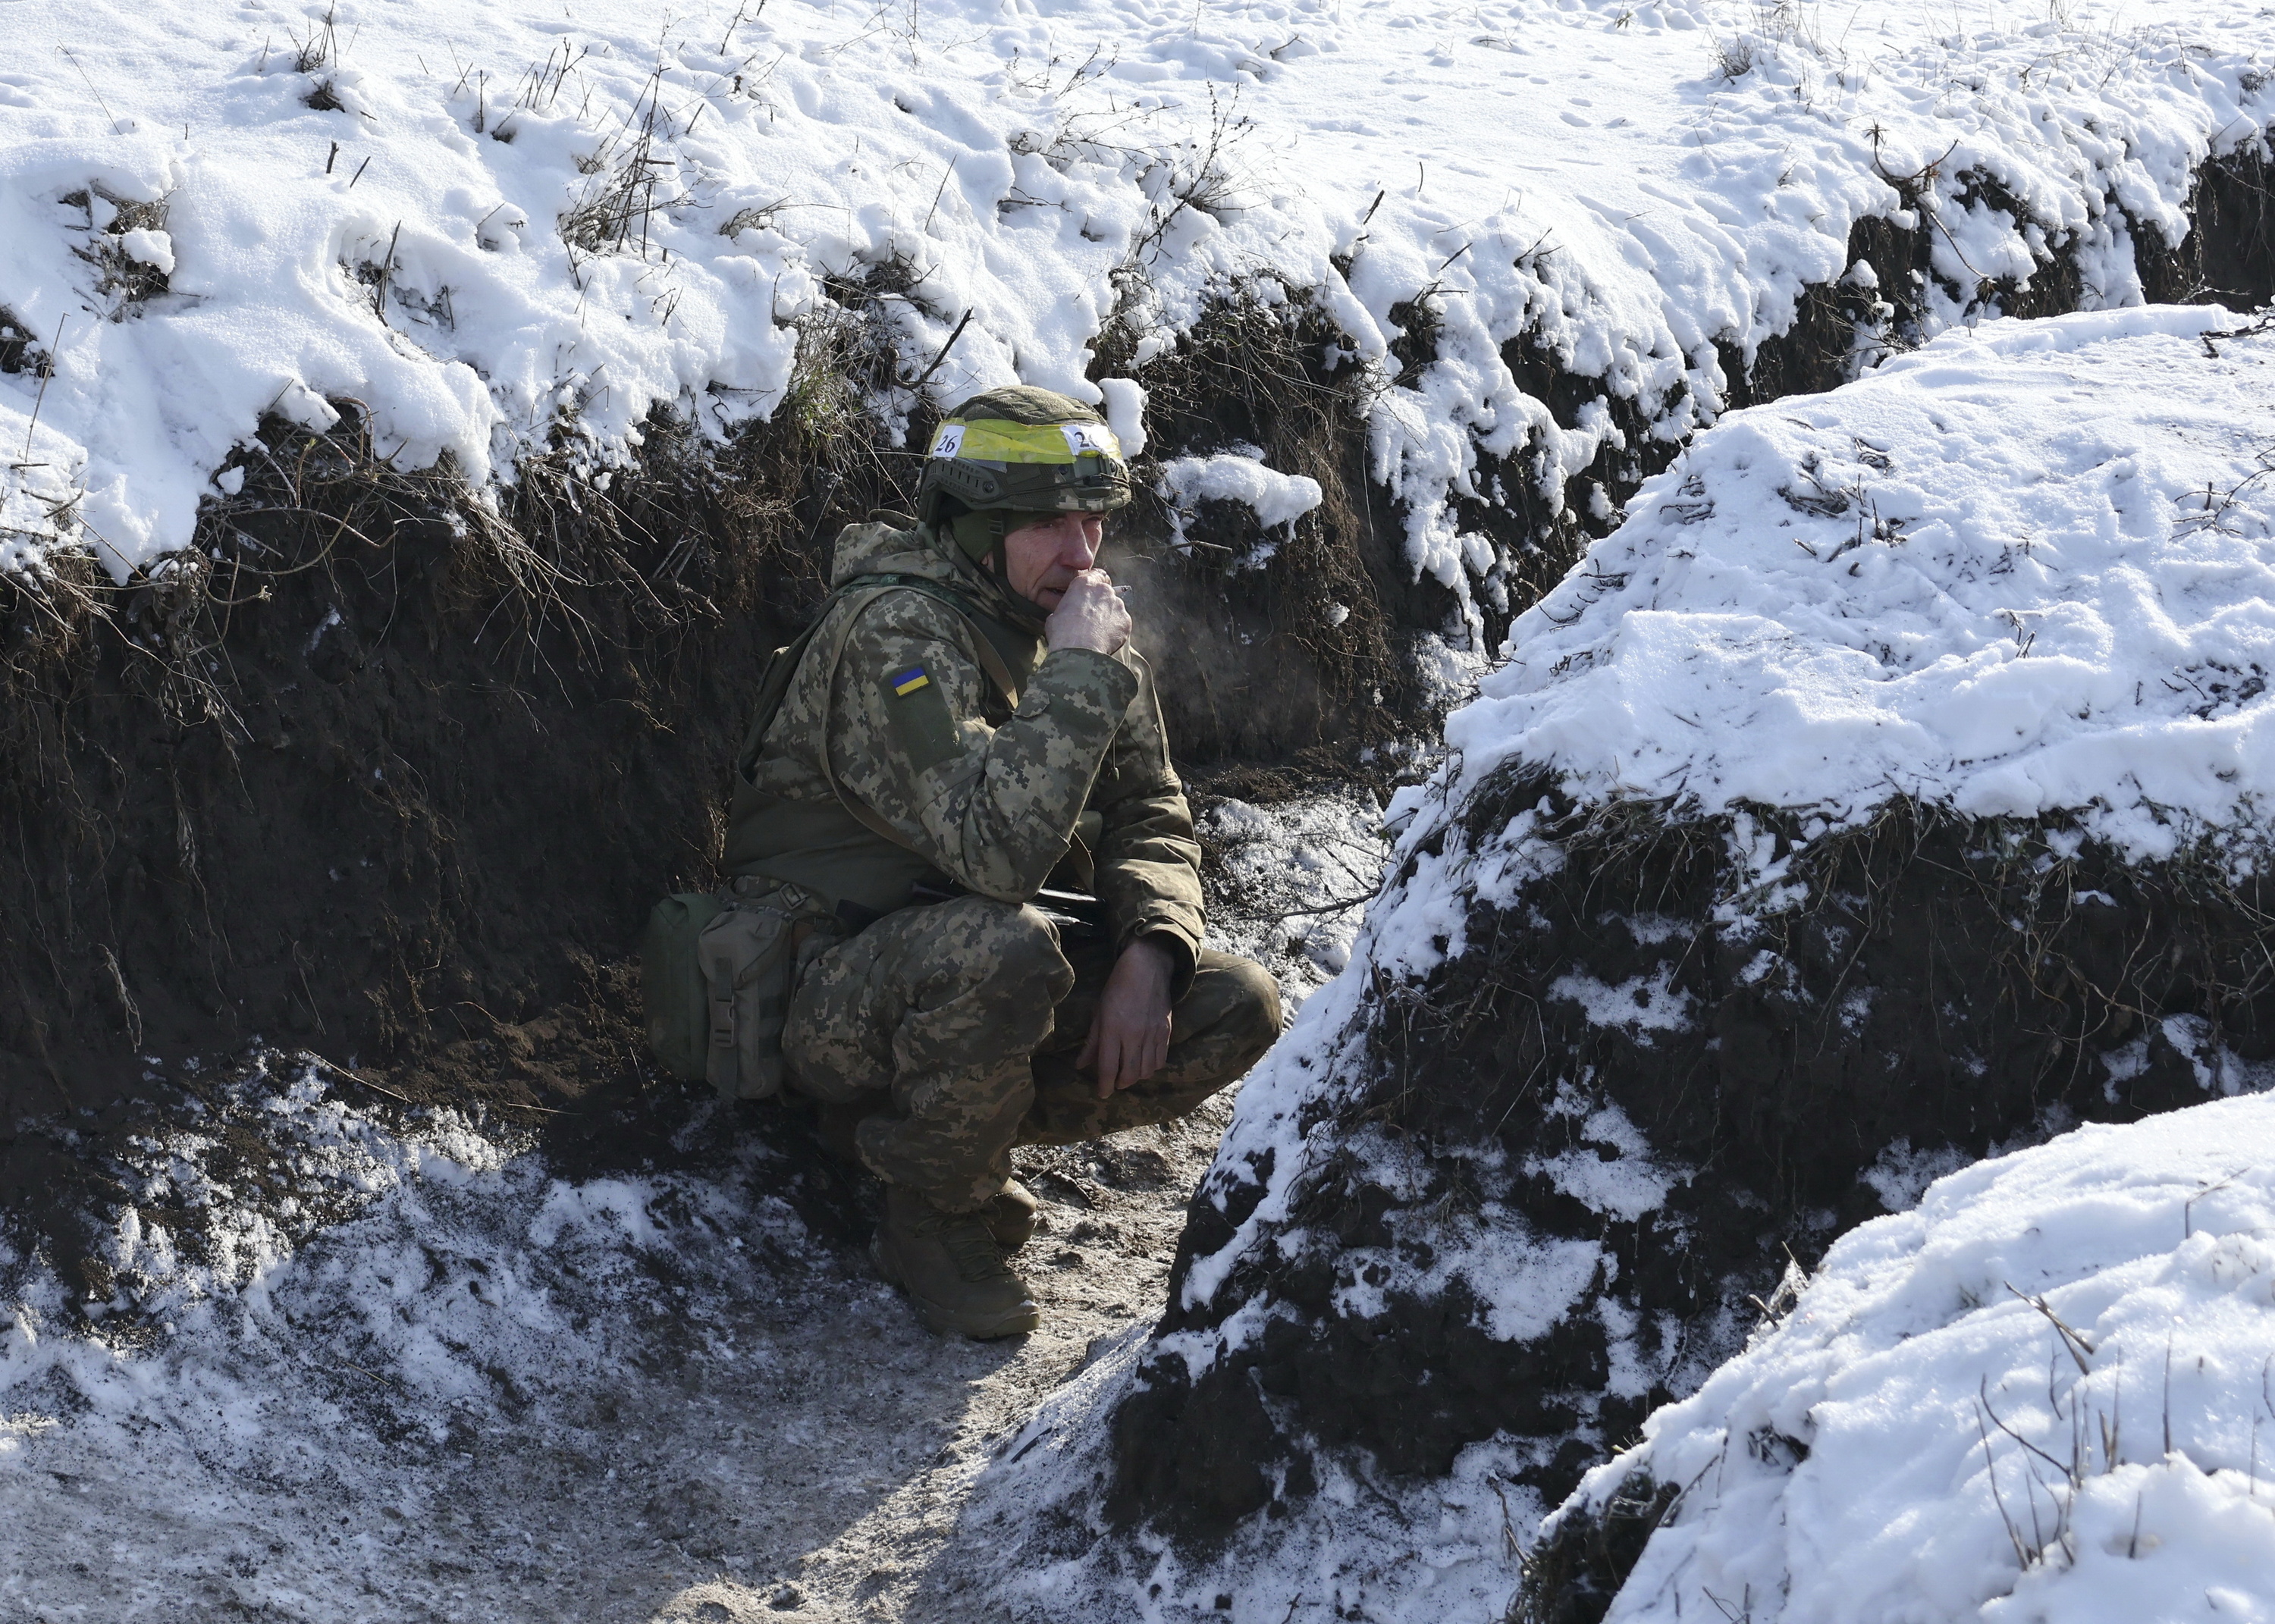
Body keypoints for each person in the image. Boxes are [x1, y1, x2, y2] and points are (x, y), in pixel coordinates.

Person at [724, 383, 1282, 1338]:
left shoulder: (1075, 630)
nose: (1083, 552)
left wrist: (1152, 948)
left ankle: (930, 1145)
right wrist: (1079, 673)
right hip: (823, 989)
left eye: (1094, 521)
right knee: (1007, 945)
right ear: (977, 527)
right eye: (1049, 526)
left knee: (1237, 1005)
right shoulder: (896, 632)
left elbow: (1152, 809)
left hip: (959, 968)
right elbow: (996, 853)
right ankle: (933, 1212)